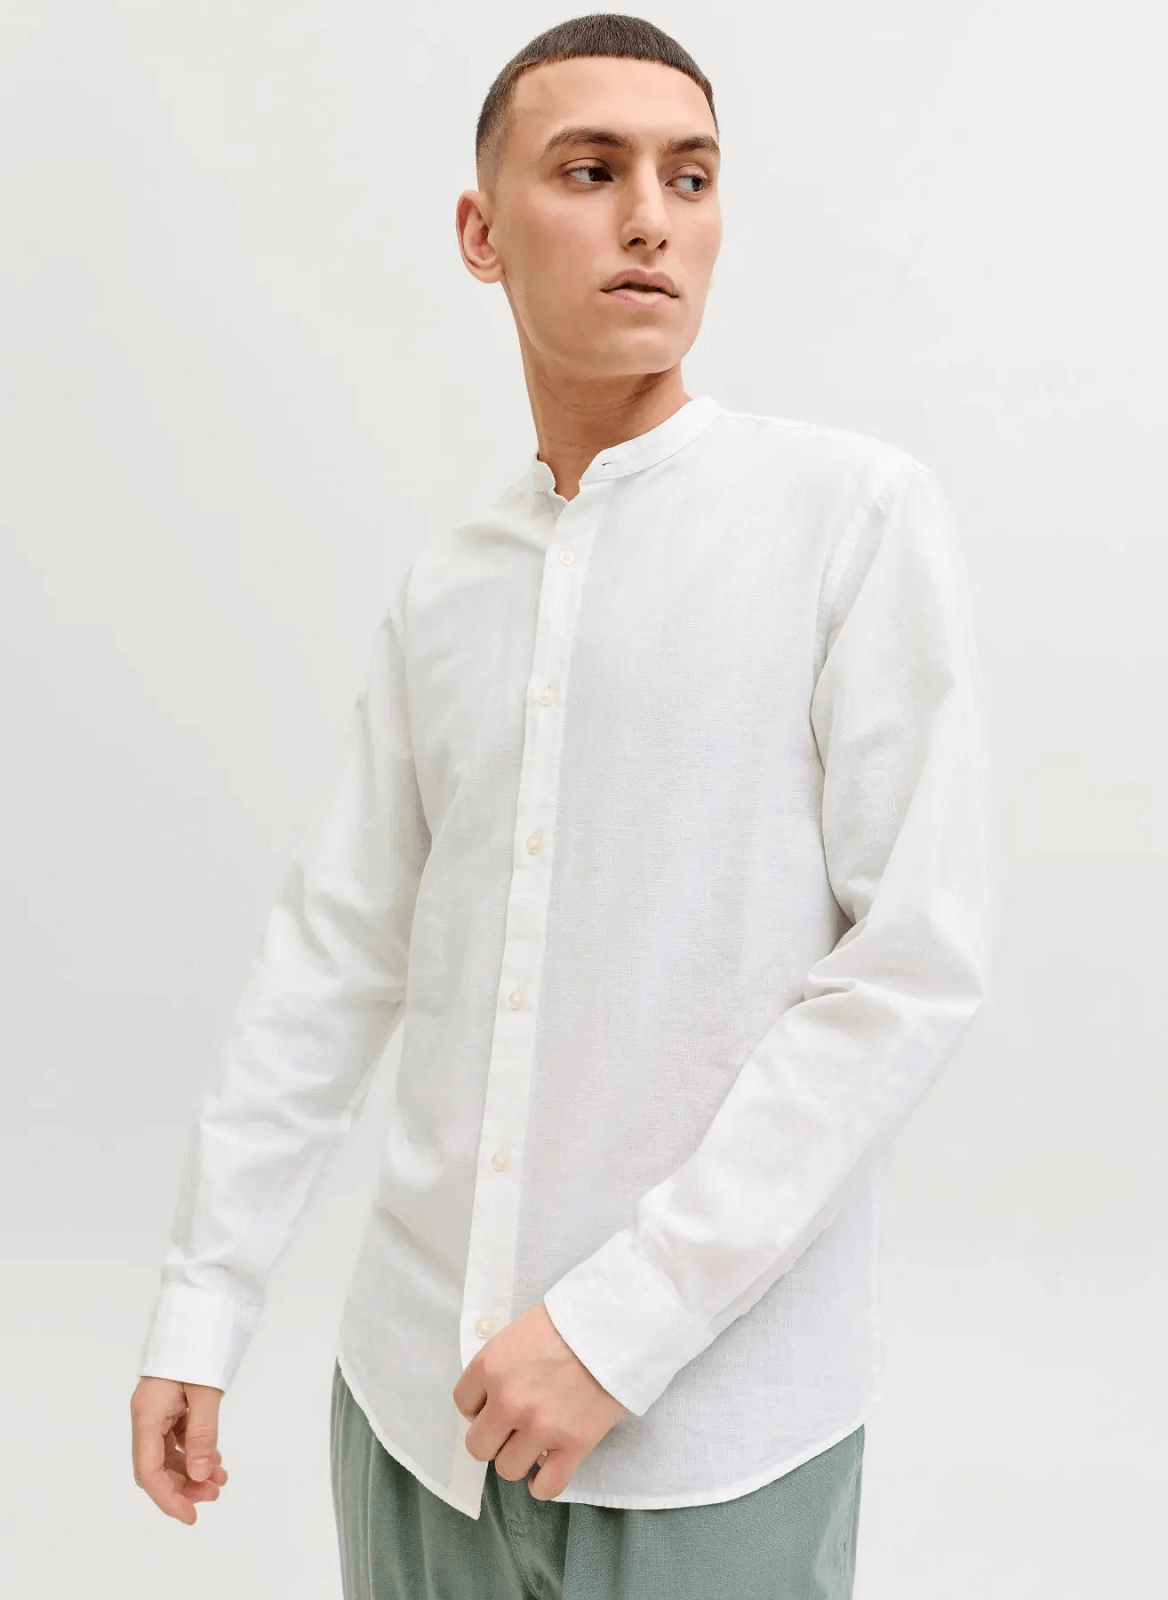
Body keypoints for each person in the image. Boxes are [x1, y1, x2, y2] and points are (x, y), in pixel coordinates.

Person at [130, 13, 992, 1598]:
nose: (651, 217)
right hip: (416, 1419)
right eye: (591, 172)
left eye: (691, 176)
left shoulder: (849, 519)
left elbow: (907, 971)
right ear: (483, 233)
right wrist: (205, 1304)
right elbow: (331, 961)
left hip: (713, 1439)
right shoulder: (447, 590)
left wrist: (620, 1324)